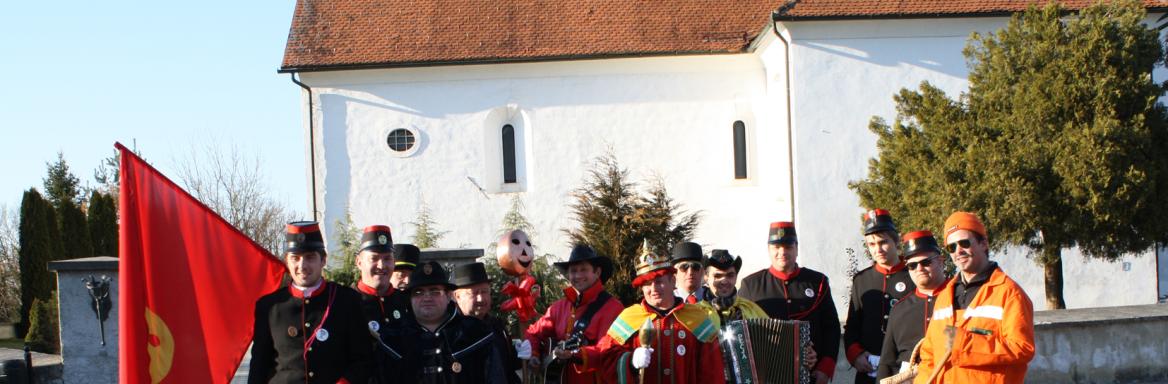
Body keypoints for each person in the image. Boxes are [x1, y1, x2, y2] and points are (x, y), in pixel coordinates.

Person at [576, 241, 726, 384]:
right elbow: (606, 356)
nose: (653, 289)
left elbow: (712, 372)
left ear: (672, 282)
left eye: (659, 281)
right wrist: (630, 361)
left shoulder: (698, 317)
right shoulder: (629, 317)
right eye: (647, 284)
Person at [914, 212, 1034, 384]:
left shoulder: (1009, 293)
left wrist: (964, 344)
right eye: (951, 247)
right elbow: (929, 356)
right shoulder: (945, 296)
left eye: (964, 243)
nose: (958, 251)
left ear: (984, 243)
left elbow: (1022, 348)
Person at [249, 221, 371, 383]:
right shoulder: (270, 306)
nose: (302, 265)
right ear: (287, 261)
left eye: (310, 257)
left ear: (323, 260)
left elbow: (364, 359)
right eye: (295, 258)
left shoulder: (347, 301)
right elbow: (259, 365)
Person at [376, 261, 508, 383]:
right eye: (418, 292)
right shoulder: (391, 338)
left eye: (434, 291)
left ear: (448, 295)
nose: (427, 297)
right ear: (410, 298)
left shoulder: (476, 334)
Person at [739, 221, 838, 384]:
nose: (782, 252)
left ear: (797, 248)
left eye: (788, 246)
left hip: (811, 376)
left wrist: (825, 368)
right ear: (768, 249)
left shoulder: (817, 282)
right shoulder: (751, 285)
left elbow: (832, 328)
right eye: (776, 247)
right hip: (766, 378)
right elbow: (742, 335)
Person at [524, 244, 623, 384]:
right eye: (573, 271)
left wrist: (577, 354)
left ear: (597, 272)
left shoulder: (614, 309)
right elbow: (533, 333)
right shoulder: (558, 308)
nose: (578, 275)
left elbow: (609, 351)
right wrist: (534, 354)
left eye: (584, 269)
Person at [844, 209, 915, 384]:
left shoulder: (913, 275)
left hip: (904, 371)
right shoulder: (862, 280)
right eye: (872, 244)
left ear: (895, 240)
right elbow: (852, 327)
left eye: (883, 242)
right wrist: (856, 356)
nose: (878, 249)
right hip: (868, 371)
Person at [876, 230, 947, 380]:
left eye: (926, 262)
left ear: (941, 261)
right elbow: (887, 362)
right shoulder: (899, 309)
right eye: (912, 266)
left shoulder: (960, 298)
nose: (919, 269)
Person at [451, 262, 523, 384]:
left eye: (484, 291)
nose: (481, 299)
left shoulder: (496, 326)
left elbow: (507, 367)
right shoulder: (451, 332)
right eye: (473, 293)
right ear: (457, 296)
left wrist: (522, 355)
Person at [355, 225, 411, 332]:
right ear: (359, 262)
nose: (381, 265)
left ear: (394, 262)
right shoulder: (347, 302)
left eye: (387, 258)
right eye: (374, 258)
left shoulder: (406, 301)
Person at [701, 249, 768, 324]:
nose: (724, 281)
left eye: (730, 275)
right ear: (706, 277)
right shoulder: (696, 313)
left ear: (736, 277)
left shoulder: (752, 309)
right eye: (717, 276)